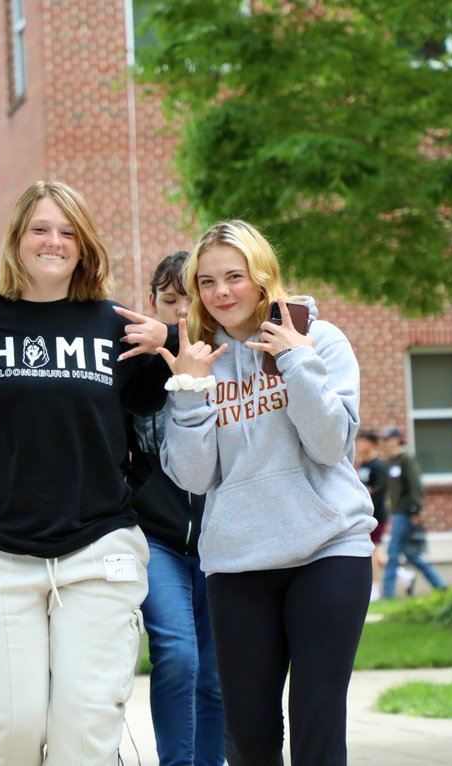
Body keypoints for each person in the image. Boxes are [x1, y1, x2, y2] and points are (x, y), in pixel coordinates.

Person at [0, 180, 174, 765]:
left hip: (98, 548)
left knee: (85, 734)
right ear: (18, 238)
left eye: (68, 231)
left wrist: (166, 345)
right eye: (41, 229)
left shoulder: (117, 326)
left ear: (85, 244)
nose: (54, 241)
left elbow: (151, 407)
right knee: (8, 734)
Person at [159, 219, 376, 765]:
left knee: (317, 726)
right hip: (238, 562)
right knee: (250, 740)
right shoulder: (199, 359)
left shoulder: (320, 340)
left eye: (234, 276)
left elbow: (330, 446)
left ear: (262, 278)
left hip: (328, 549)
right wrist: (187, 389)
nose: (221, 292)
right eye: (206, 282)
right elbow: (191, 477)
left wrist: (296, 360)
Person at [126, 251, 224, 766]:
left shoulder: (230, 356)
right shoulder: (133, 365)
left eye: (192, 300)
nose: (182, 315)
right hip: (156, 538)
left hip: (222, 537)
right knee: (177, 656)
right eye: (170, 302)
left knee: (214, 672)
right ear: (152, 303)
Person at [380, 426, 446, 598]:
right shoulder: (391, 461)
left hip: (406, 513)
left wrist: (416, 510)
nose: (384, 444)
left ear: (396, 440)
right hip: (396, 512)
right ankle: (440, 585)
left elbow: (416, 487)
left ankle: (388, 595)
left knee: (393, 552)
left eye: (387, 440)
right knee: (411, 554)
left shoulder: (406, 459)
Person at [356, 429, 391, 602]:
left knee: (372, 551)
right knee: (375, 552)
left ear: (370, 443)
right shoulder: (364, 465)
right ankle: (404, 575)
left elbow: (380, 490)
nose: (358, 445)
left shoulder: (378, 466)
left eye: (361, 441)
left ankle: (375, 588)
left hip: (376, 515)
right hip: (364, 516)